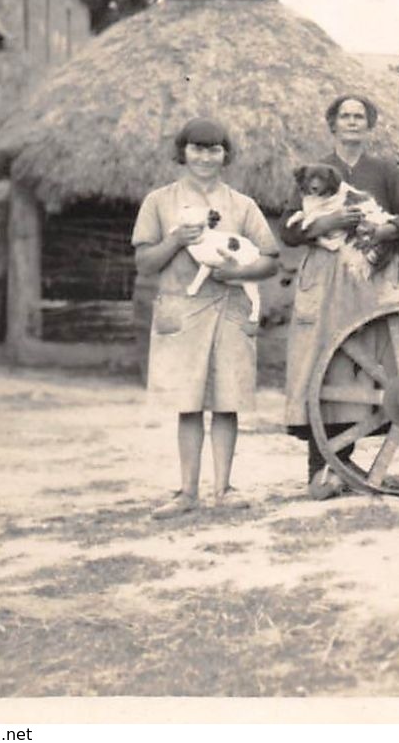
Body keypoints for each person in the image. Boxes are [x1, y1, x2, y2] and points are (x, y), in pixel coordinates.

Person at [134, 118, 280, 519]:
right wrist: (174, 240)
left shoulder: (242, 205)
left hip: (230, 309)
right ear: (182, 152)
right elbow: (144, 262)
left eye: (214, 149)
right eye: (196, 148)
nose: (204, 156)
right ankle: (187, 492)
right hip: (181, 309)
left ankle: (224, 489)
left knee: (227, 400)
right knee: (188, 403)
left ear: (225, 156)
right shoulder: (160, 202)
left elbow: (270, 260)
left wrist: (239, 273)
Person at [280, 94, 399, 499]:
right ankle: (317, 470)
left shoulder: (385, 171)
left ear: (369, 124)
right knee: (318, 365)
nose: (353, 122)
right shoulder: (316, 170)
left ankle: (343, 464)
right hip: (324, 281)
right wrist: (327, 221)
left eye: (360, 116)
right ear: (333, 124)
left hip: (368, 277)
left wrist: (387, 231)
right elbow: (289, 230)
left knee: (360, 365)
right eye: (345, 116)